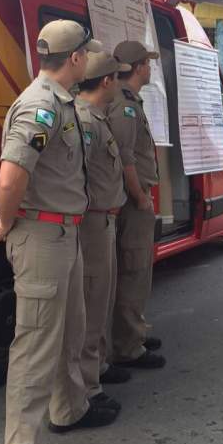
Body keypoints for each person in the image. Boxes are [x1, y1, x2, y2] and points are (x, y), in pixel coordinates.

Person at [0, 20, 115, 444]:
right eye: (86, 54)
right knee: (35, 349)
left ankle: (69, 409)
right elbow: (9, 179)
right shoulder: (41, 106)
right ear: (76, 59)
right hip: (42, 237)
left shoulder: (61, 102)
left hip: (64, 234)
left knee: (68, 333)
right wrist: (6, 223)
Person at [75, 51, 130, 413]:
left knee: (102, 300)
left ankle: (97, 368)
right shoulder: (84, 121)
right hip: (92, 223)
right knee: (91, 306)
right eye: (116, 78)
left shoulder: (94, 117)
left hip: (103, 220)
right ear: (107, 81)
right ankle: (87, 390)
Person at [108, 40, 166, 370]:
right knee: (133, 269)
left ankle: (134, 332)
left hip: (135, 195)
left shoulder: (129, 100)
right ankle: (128, 345)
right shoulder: (124, 104)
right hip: (132, 198)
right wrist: (140, 197)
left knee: (137, 268)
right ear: (138, 66)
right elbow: (125, 156)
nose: (150, 67)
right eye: (147, 63)